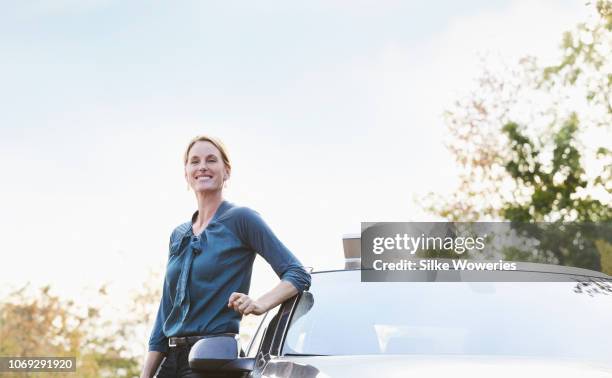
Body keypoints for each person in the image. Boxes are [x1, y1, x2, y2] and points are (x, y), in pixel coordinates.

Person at [140, 135, 311, 378]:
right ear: (186, 174)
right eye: (194, 161)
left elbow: (297, 273)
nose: (202, 167)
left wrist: (259, 304)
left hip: (212, 359)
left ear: (226, 171)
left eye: (211, 160)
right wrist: (146, 374)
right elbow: (166, 310)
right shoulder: (178, 234)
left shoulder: (242, 219)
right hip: (170, 361)